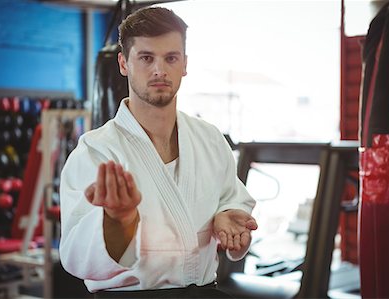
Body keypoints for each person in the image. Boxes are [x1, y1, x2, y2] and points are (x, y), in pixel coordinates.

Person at [59, 6, 258, 298]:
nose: (159, 70)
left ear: (185, 64)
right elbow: (76, 258)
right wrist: (118, 222)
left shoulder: (210, 139)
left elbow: (230, 199)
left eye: (171, 58)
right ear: (124, 63)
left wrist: (228, 217)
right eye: (146, 58)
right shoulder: (96, 151)